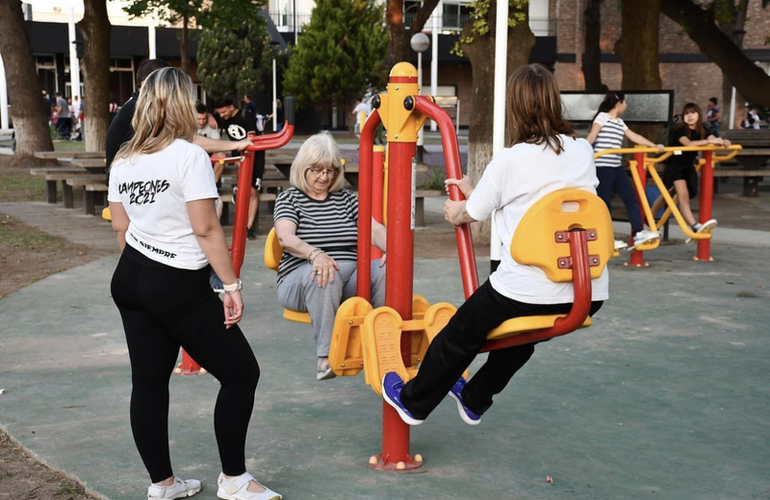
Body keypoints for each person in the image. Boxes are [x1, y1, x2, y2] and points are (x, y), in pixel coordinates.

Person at [381, 63, 608, 426]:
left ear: (515, 108)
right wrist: (483, 195)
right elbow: (543, 199)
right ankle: (475, 397)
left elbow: (464, 214)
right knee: (519, 338)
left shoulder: (510, 159)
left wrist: (457, 206)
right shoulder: (582, 151)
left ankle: (413, 402)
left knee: (458, 335)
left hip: (529, 289)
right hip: (588, 290)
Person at [108, 67, 281, 500]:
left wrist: (147, 262)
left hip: (130, 277)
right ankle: (235, 480)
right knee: (242, 374)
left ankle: (163, 485)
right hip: (175, 282)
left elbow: (120, 228)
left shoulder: (126, 157)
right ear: (185, 105)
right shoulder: (189, 157)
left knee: (148, 383)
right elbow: (206, 230)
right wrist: (230, 285)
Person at [273, 132, 388, 380]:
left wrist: (392, 249)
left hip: (349, 279)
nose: (324, 177)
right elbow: (285, 237)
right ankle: (326, 357)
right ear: (303, 168)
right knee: (326, 272)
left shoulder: (346, 199)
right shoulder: (289, 198)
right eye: (316, 170)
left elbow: (374, 229)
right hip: (301, 278)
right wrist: (315, 254)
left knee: (387, 269)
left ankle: (380, 342)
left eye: (330, 171)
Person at [106, 60, 251, 184]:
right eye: (167, 82)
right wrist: (236, 144)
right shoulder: (144, 107)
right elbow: (186, 139)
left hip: (128, 180)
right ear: (153, 81)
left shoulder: (137, 103)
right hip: (133, 182)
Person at [586, 92, 664, 251]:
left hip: (616, 166)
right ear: (618, 103)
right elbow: (593, 134)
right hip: (603, 166)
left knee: (631, 198)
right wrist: (582, 149)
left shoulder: (620, 122)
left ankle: (638, 232)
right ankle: (607, 238)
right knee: (605, 203)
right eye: (625, 102)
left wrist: (653, 146)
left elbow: (634, 136)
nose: (626, 106)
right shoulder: (602, 117)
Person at [650, 102, 729, 242]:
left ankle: (648, 220)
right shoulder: (678, 129)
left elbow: (712, 139)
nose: (690, 116)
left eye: (692, 113)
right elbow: (688, 144)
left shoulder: (703, 129)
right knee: (683, 197)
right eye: (686, 114)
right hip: (675, 166)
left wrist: (723, 141)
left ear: (698, 114)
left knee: (667, 196)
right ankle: (694, 225)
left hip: (688, 167)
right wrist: (709, 141)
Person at [214, 96, 263, 240]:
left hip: (255, 154)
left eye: (223, 112)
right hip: (239, 156)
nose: (221, 115)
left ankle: (249, 226)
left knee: (253, 191)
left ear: (231, 107)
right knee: (244, 189)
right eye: (219, 113)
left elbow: (252, 138)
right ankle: (242, 225)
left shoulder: (245, 115)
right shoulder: (221, 118)